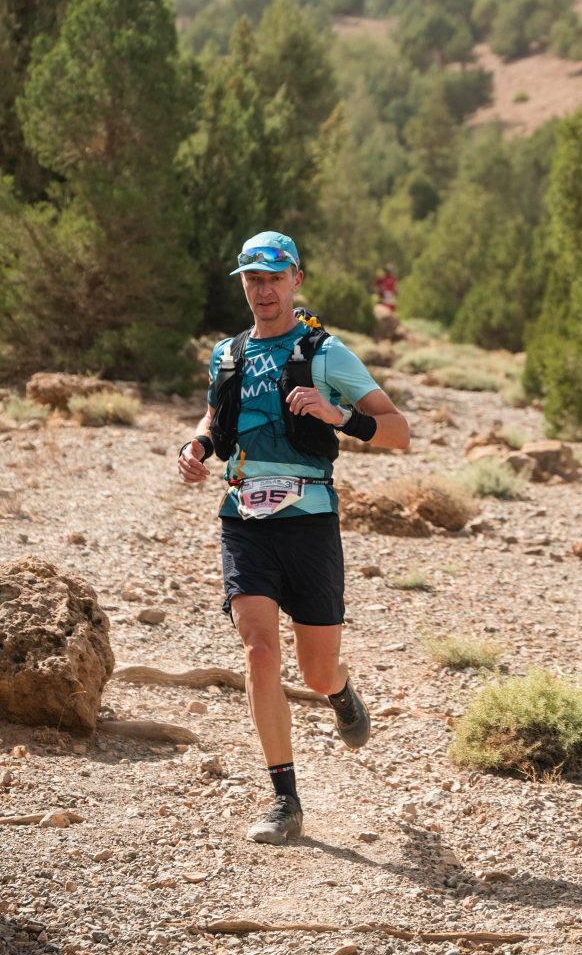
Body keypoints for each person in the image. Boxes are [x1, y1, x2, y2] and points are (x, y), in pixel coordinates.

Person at [177, 230, 410, 846]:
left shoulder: (325, 353)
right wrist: (197, 445)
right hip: (243, 518)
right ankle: (285, 799)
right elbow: (215, 415)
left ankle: (340, 692)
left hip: (309, 522)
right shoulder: (228, 354)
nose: (263, 291)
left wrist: (340, 416)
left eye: (273, 279)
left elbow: (398, 430)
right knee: (259, 649)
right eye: (252, 280)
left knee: (316, 669)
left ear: (295, 280)